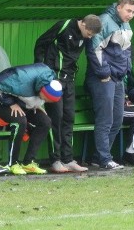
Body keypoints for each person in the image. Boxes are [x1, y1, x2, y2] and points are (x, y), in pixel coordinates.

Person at [34, 15, 102, 173]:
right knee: (55, 118)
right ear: (83, 25)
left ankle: (68, 158)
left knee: (69, 118)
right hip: (54, 80)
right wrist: (41, 69)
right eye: (89, 34)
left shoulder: (84, 36)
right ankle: (55, 159)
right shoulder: (64, 25)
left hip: (69, 79)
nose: (89, 37)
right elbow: (41, 42)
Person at [85, 0, 134, 170]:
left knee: (116, 120)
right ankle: (104, 158)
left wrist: (125, 72)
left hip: (117, 78)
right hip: (103, 78)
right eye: (128, 11)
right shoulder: (105, 21)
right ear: (119, 8)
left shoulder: (125, 25)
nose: (131, 15)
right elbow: (94, 49)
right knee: (105, 120)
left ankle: (98, 157)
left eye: (133, 12)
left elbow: (126, 51)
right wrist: (103, 73)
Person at [0, 63, 62, 175]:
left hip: (21, 101)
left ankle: (28, 163)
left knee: (45, 122)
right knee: (20, 122)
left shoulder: (49, 81)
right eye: (46, 100)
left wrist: (37, 104)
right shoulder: (22, 80)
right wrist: (10, 103)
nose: (47, 102)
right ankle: (13, 164)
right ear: (43, 92)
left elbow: (36, 96)